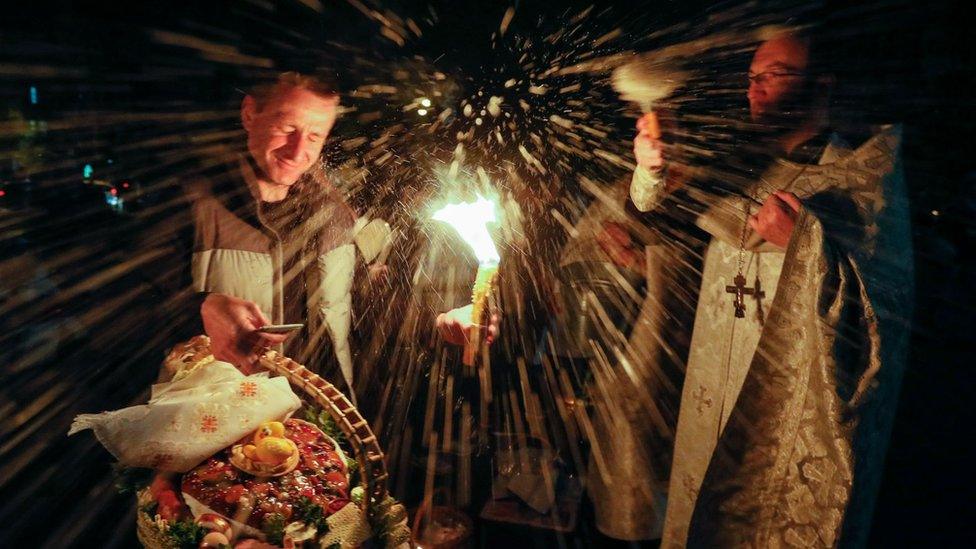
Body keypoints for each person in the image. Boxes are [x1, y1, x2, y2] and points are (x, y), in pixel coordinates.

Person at [626, 29, 913, 547]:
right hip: (713, 378)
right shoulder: (733, 164)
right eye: (752, 78)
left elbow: (882, 304)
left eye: (774, 75)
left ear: (821, 84)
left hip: (785, 387)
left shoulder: (860, 175)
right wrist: (651, 163)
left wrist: (805, 242)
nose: (756, 90)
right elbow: (655, 209)